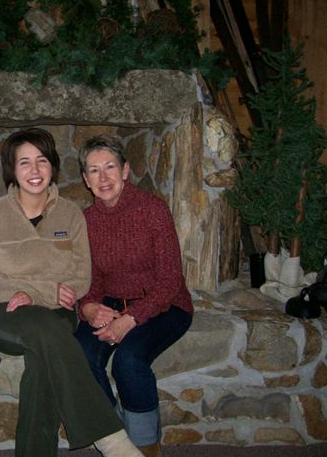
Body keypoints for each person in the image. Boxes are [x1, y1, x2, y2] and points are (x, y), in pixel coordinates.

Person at [0, 128, 142, 457]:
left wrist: (39, 295)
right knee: (46, 331)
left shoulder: (70, 214)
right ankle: (112, 440)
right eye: (24, 163)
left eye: (42, 161)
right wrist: (41, 290)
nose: (34, 171)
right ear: (12, 169)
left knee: (42, 362)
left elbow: (81, 277)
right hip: (4, 312)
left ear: (53, 166)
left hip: (57, 313)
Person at [74, 135, 194, 457]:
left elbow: (171, 280)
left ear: (125, 171)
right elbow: (94, 277)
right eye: (94, 171)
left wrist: (132, 319)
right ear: (86, 180)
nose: (103, 177)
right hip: (113, 303)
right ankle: (118, 443)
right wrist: (88, 307)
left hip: (165, 305)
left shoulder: (152, 209)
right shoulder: (86, 221)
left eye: (110, 167)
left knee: (129, 360)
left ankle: (146, 447)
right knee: (81, 355)